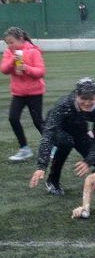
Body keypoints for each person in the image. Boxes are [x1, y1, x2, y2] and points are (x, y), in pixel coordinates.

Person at [29, 78, 95, 196]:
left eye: (91, 99)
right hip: (58, 128)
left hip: (78, 127)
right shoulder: (64, 104)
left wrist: (89, 160)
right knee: (66, 142)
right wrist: (41, 166)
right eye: (83, 98)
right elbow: (48, 134)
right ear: (76, 96)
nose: (87, 103)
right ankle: (52, 180)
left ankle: (94, 178)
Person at [2, 27, 46, 162]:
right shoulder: (9, 53)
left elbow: (41, 72)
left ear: (21, 39)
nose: (10, 46)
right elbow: (4, 69)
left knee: (37, 121)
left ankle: (51, 146)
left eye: (11, 42)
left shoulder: (33, 51)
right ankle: (24, 148)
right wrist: (12, 61)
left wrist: (26, 68)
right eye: (7, 43)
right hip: (18, 93)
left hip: (34, 92)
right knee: (13, 118)